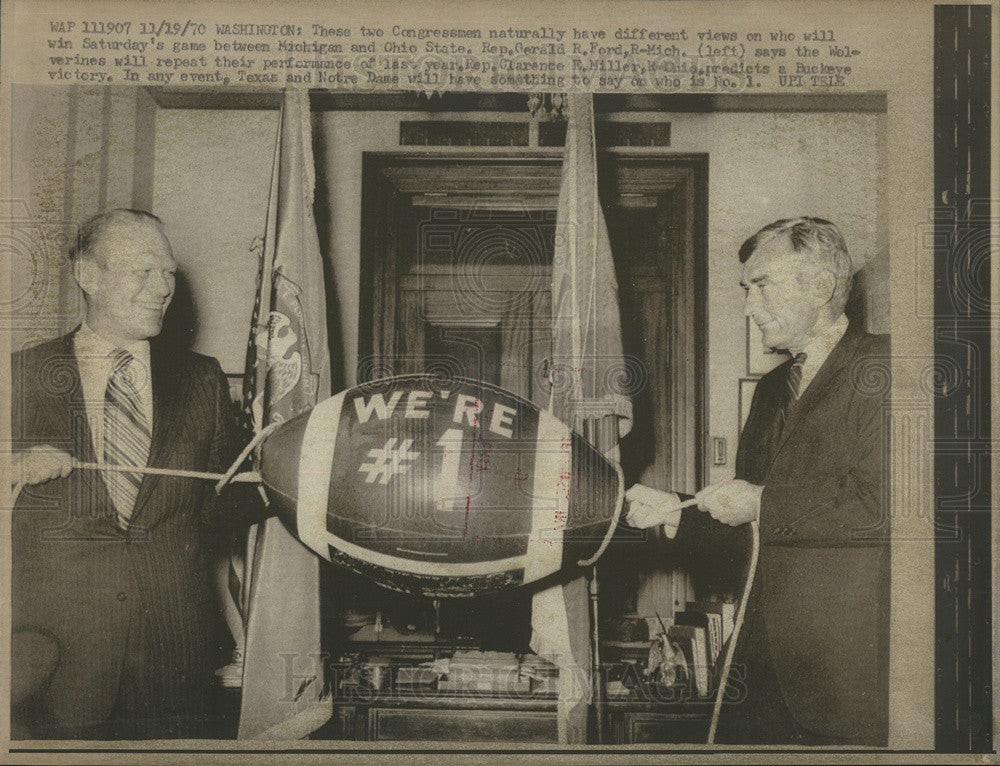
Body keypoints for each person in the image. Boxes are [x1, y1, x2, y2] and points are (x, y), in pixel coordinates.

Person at [626, 217, 890, 745]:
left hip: (848, 678)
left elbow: (884, 506)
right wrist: (675, 510)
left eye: (761, 285)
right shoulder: (771, 390)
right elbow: (747, 521)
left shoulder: (884, 366)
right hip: (763, 668)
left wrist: (763, 503)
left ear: (818, 287)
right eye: (746, 290)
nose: (748, 306)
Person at [11, 209, 247, 738]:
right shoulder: (20, 376)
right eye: (144, 271)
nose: (163, 287)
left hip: (176, 665)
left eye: (168, 272)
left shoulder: (202, 379)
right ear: (88, 276)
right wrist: (10, 469)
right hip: (51, 670)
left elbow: (226, 510)